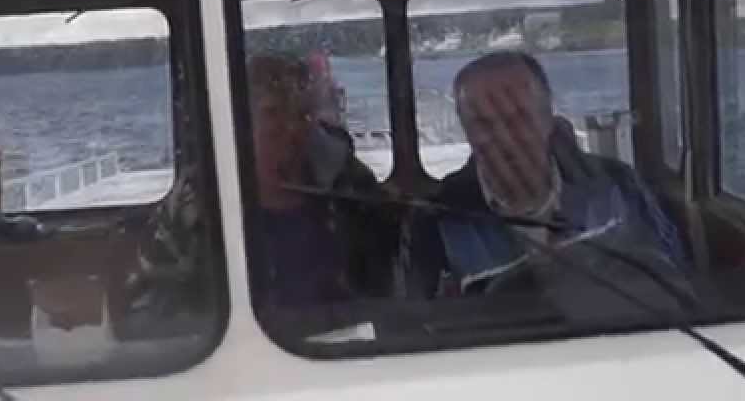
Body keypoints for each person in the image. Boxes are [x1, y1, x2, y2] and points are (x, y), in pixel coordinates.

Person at [126, 54, 397, 325]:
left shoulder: (349, 185)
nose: (291, 128)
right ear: (238, 125)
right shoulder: (193, 204)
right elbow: (149, 313)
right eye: (273, 112)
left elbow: (397, 282)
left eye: (301, 113)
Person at [405, 51, 687, 298]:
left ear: (547, 119)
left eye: (517, 118)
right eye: (483, 124)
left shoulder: (619, 186)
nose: (504, 138)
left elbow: (678, 279)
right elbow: (421, 323)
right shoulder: (436, 218)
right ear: (466, 131)